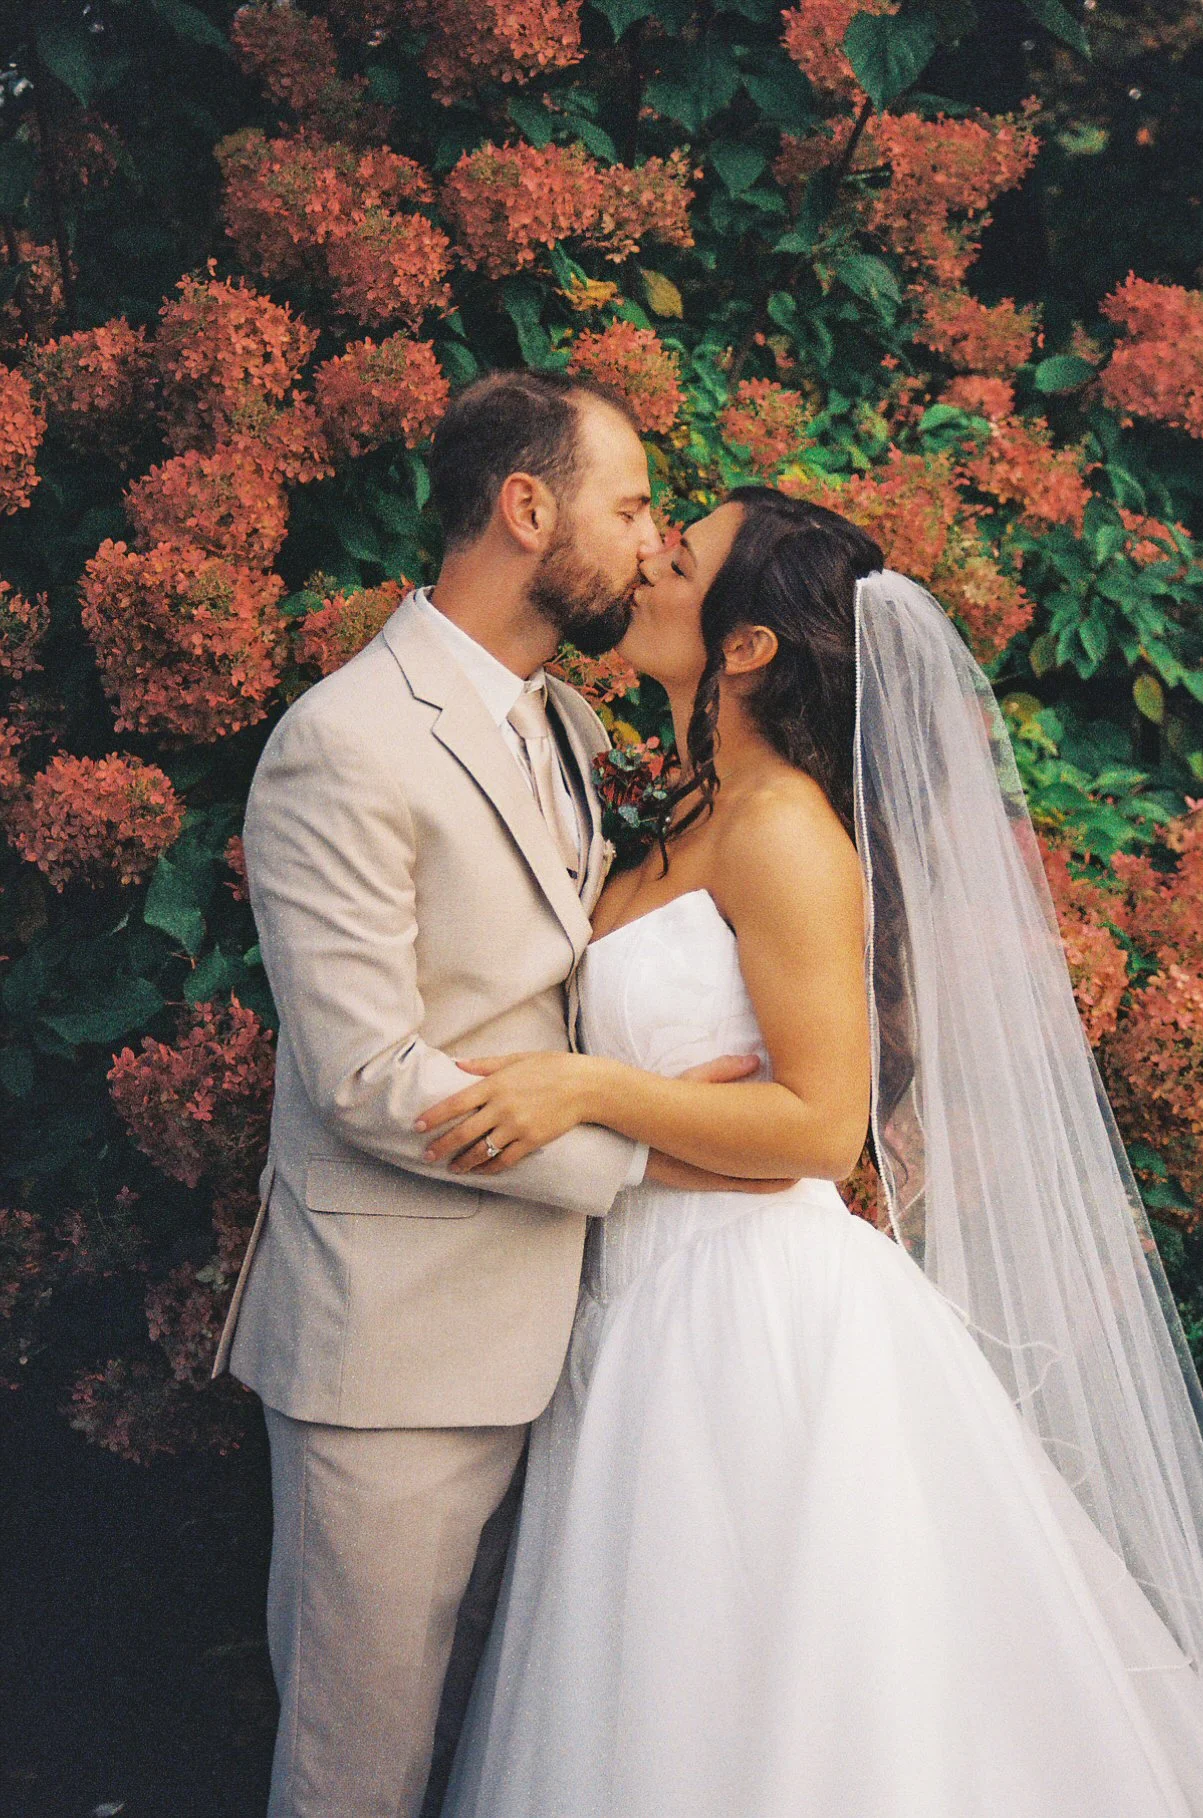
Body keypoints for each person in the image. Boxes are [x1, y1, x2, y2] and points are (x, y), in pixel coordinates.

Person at [421, 488, 1203, 1817]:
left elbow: (820, 1126)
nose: (650, 563)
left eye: (680, 559)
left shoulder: (784, 826)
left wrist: (592, 1087)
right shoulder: (685, 812)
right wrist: (628, 1109)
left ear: (746, 648)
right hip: (641, 1305)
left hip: (752, 1323)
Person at [209, 373, 763, 1818]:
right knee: (361, 1774)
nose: (653, 545)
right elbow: (366, 1072)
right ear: (529, 509)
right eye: (632, 504)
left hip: (569, 1344)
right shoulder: (346, 742)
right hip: (394, 1364)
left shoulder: (563, 724)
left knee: (516, 1761)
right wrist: (640, 1138)